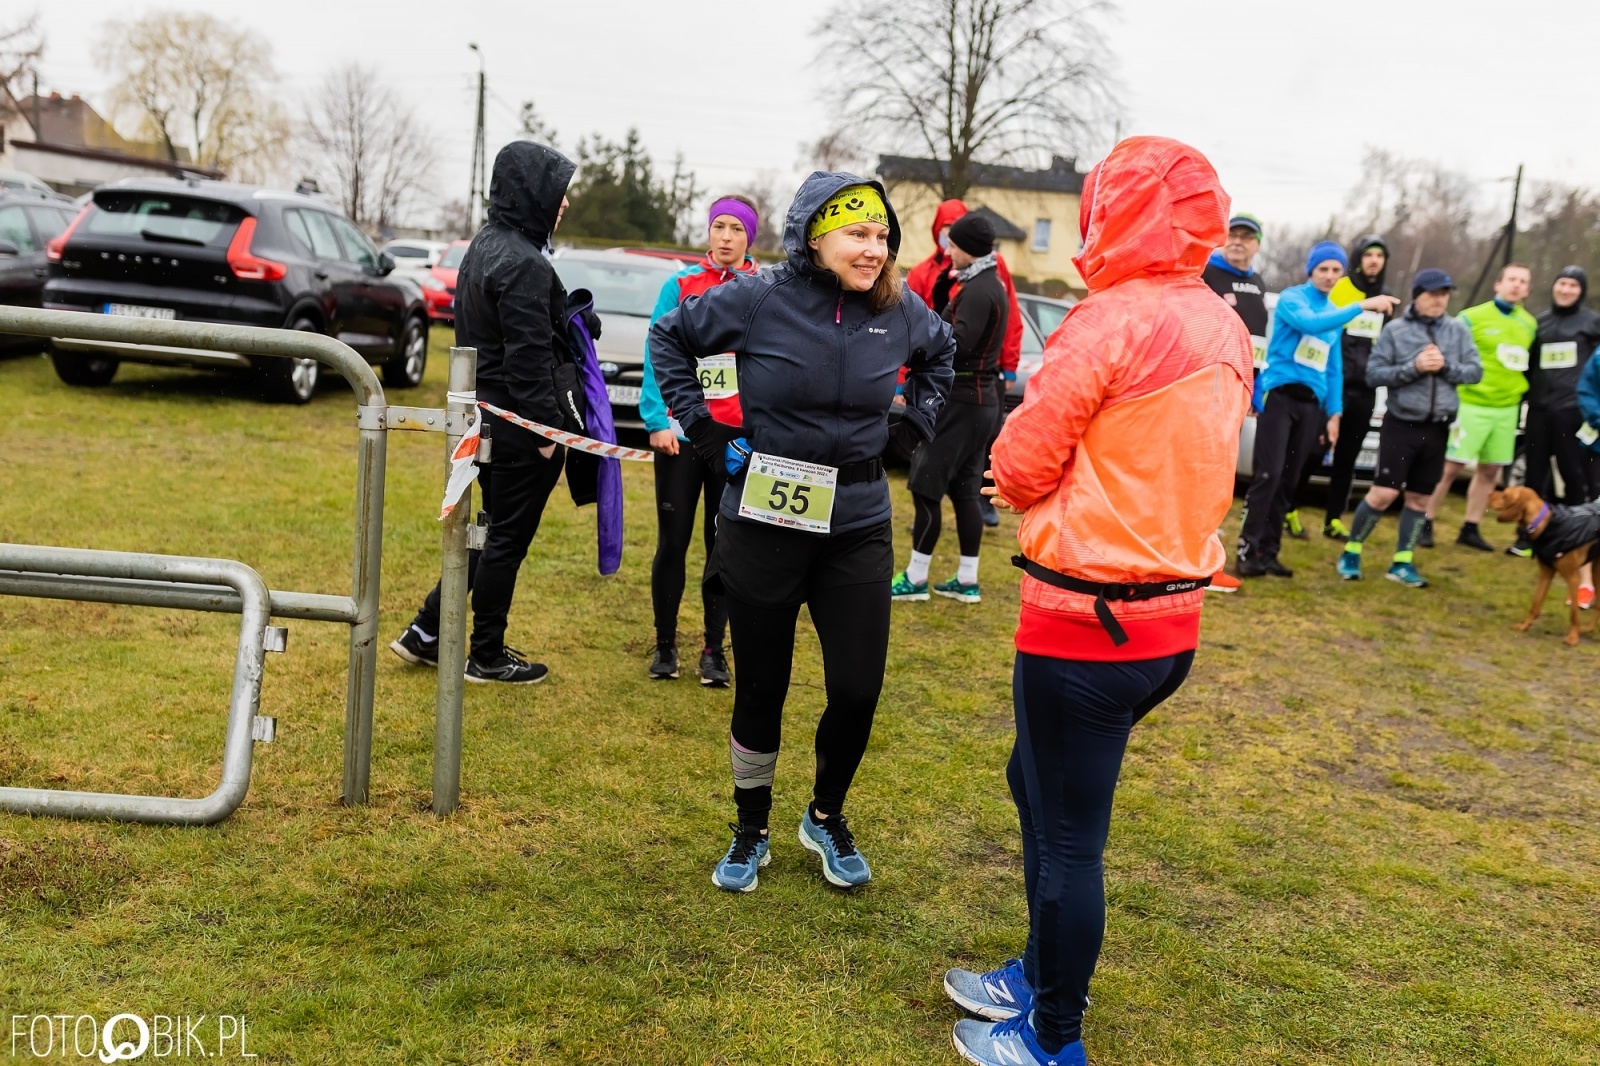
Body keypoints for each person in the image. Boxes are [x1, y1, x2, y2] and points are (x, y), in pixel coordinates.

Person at [943, 136, 1253, 1066]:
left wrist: (1019, 482)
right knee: (1030, 786)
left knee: (1071, 839)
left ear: (1111, 212)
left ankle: (1053, 1038)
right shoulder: (1225, 323)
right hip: (1167, 624)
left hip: (1086, 622)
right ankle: (1037, 976)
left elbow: (1026, 454)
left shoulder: (1108, 319)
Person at [651, 173, 954, 893]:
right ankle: (749, 826)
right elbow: (670, 339)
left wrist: (917, 421)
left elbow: (943, 355)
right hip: (765, 519)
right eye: (858, 233)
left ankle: (824, 814)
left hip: (856, 523)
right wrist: (702, 432)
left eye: (882, 236)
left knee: (857, 689)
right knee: (761, 686)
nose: (874, 249)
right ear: (814, 238)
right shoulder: (760, 298)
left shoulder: (899, 308)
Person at [390, 141, 578, 684]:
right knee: (505, 542)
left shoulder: (485, 246)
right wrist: (546, 432)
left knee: (487, 533)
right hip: (520, 426)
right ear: (532, 192)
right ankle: (486, 655)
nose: (563, 205)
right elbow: (527, 357)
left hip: (484, 420)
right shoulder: (524, 263)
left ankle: (425, 631)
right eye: (558, 193)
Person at [637, 196, 762, 685]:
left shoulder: (760, 288)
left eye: (736, 229)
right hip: (682, 434)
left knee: (724, 546)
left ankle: (714, 650)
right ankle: (665, 646)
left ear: (750, 236)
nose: (726, 236)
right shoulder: (680, 284)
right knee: (673, 541)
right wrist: (655, 419)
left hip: (736, 438)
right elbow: (655, 349)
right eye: (719, 227)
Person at [1235, 241, 1398, 577]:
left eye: (1336, 270)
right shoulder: (1295, 299)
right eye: (1323, 269)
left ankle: (1269, 551)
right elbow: (1309, 324)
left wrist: (1335, 413)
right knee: (1269, 475)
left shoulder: (1334, 314)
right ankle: (1247, 550)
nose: (1329, 275)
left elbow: (1334, 369)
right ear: (1311, 271)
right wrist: (1361, 305)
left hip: (1311, 406)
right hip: (1280, 398)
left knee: (1291, 479)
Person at [1336, 269, 1481, 587]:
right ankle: (1351, 551)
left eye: (1445, 293)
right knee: (1384, 494)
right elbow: (1374, 374)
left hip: (1438, 427)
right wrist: (1413, 368)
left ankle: (1402, 562)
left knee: (1419, 500)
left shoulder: (1458, 330)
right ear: (1417, 295)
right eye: (1433, 293)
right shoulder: (1397, 330)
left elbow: (1474, 372)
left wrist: (1447, 367)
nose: (1439, 299)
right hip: (1402, 424)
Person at [892, 212, 1009, 603]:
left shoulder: (979, 290)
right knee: (964, 491)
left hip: (961, 401)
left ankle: (916, 578)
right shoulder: (987, 284)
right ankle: (967, 579)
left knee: (926, 487)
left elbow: (957, 345)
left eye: (954, 245)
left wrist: (919, 356)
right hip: (982, 401)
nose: (949, 250)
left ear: (969, 250)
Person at [906, 198, 1025, 527]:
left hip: (967, 384)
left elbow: (1003, 320)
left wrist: (1009, 363)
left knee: (936, 476)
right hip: (945, 379)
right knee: (957, 480)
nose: (948, 241)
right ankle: (959, 561)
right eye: (944, 230)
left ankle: (920, 568)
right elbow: (914, 322)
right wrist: (906, 374)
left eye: (953, 232)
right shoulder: (925, 272)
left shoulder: (987, 275)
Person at [1421, 263, 1537, 551]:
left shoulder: (1530, 324)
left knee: (1490, 472)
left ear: (1528, 289)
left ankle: (1470, 527)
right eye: (1511, 279)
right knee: (1450, 467)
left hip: (1507, 408)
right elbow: (1448, 355)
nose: (1516, 285)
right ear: (1497, 284)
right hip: (1471, 404)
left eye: (1522, 281)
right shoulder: (1471, 317)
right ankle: (1425, 521)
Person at [1518, 266, 1600, 580]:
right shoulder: (1539, 322)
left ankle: (1583, 536)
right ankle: (1527, 537)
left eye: (1572, 286)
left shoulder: (1592, 323)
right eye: (1561, 284)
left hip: (1572, 411)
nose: (1566, 290)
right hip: (1539, 410)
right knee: (1534, 475)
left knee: (1574, 476)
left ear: (1581, 290)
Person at [1200, 211, 1267, 593]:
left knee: (1220, 471)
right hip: (1207, 385)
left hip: (1239, 391)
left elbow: (1256, 347)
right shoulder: (1208, 273)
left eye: (1247, 236)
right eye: (1233, 234)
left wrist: (1255, 390)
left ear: (1257, 244)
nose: (1239, 241)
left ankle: (1203, 551)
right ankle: (1194, 559)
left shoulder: (1256, 282)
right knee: (1202, 468)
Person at [1319, 234, 1395, 539]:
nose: (1374, 260)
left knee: (1348, 456)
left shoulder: (1388, 297)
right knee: (1314, 450)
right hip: (1333, 384)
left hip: (1366, 390)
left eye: (1380, 255)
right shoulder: (1341, 289)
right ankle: (1289, 509)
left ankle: (1333, 518)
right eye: (1369, 254)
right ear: (1358, 258)